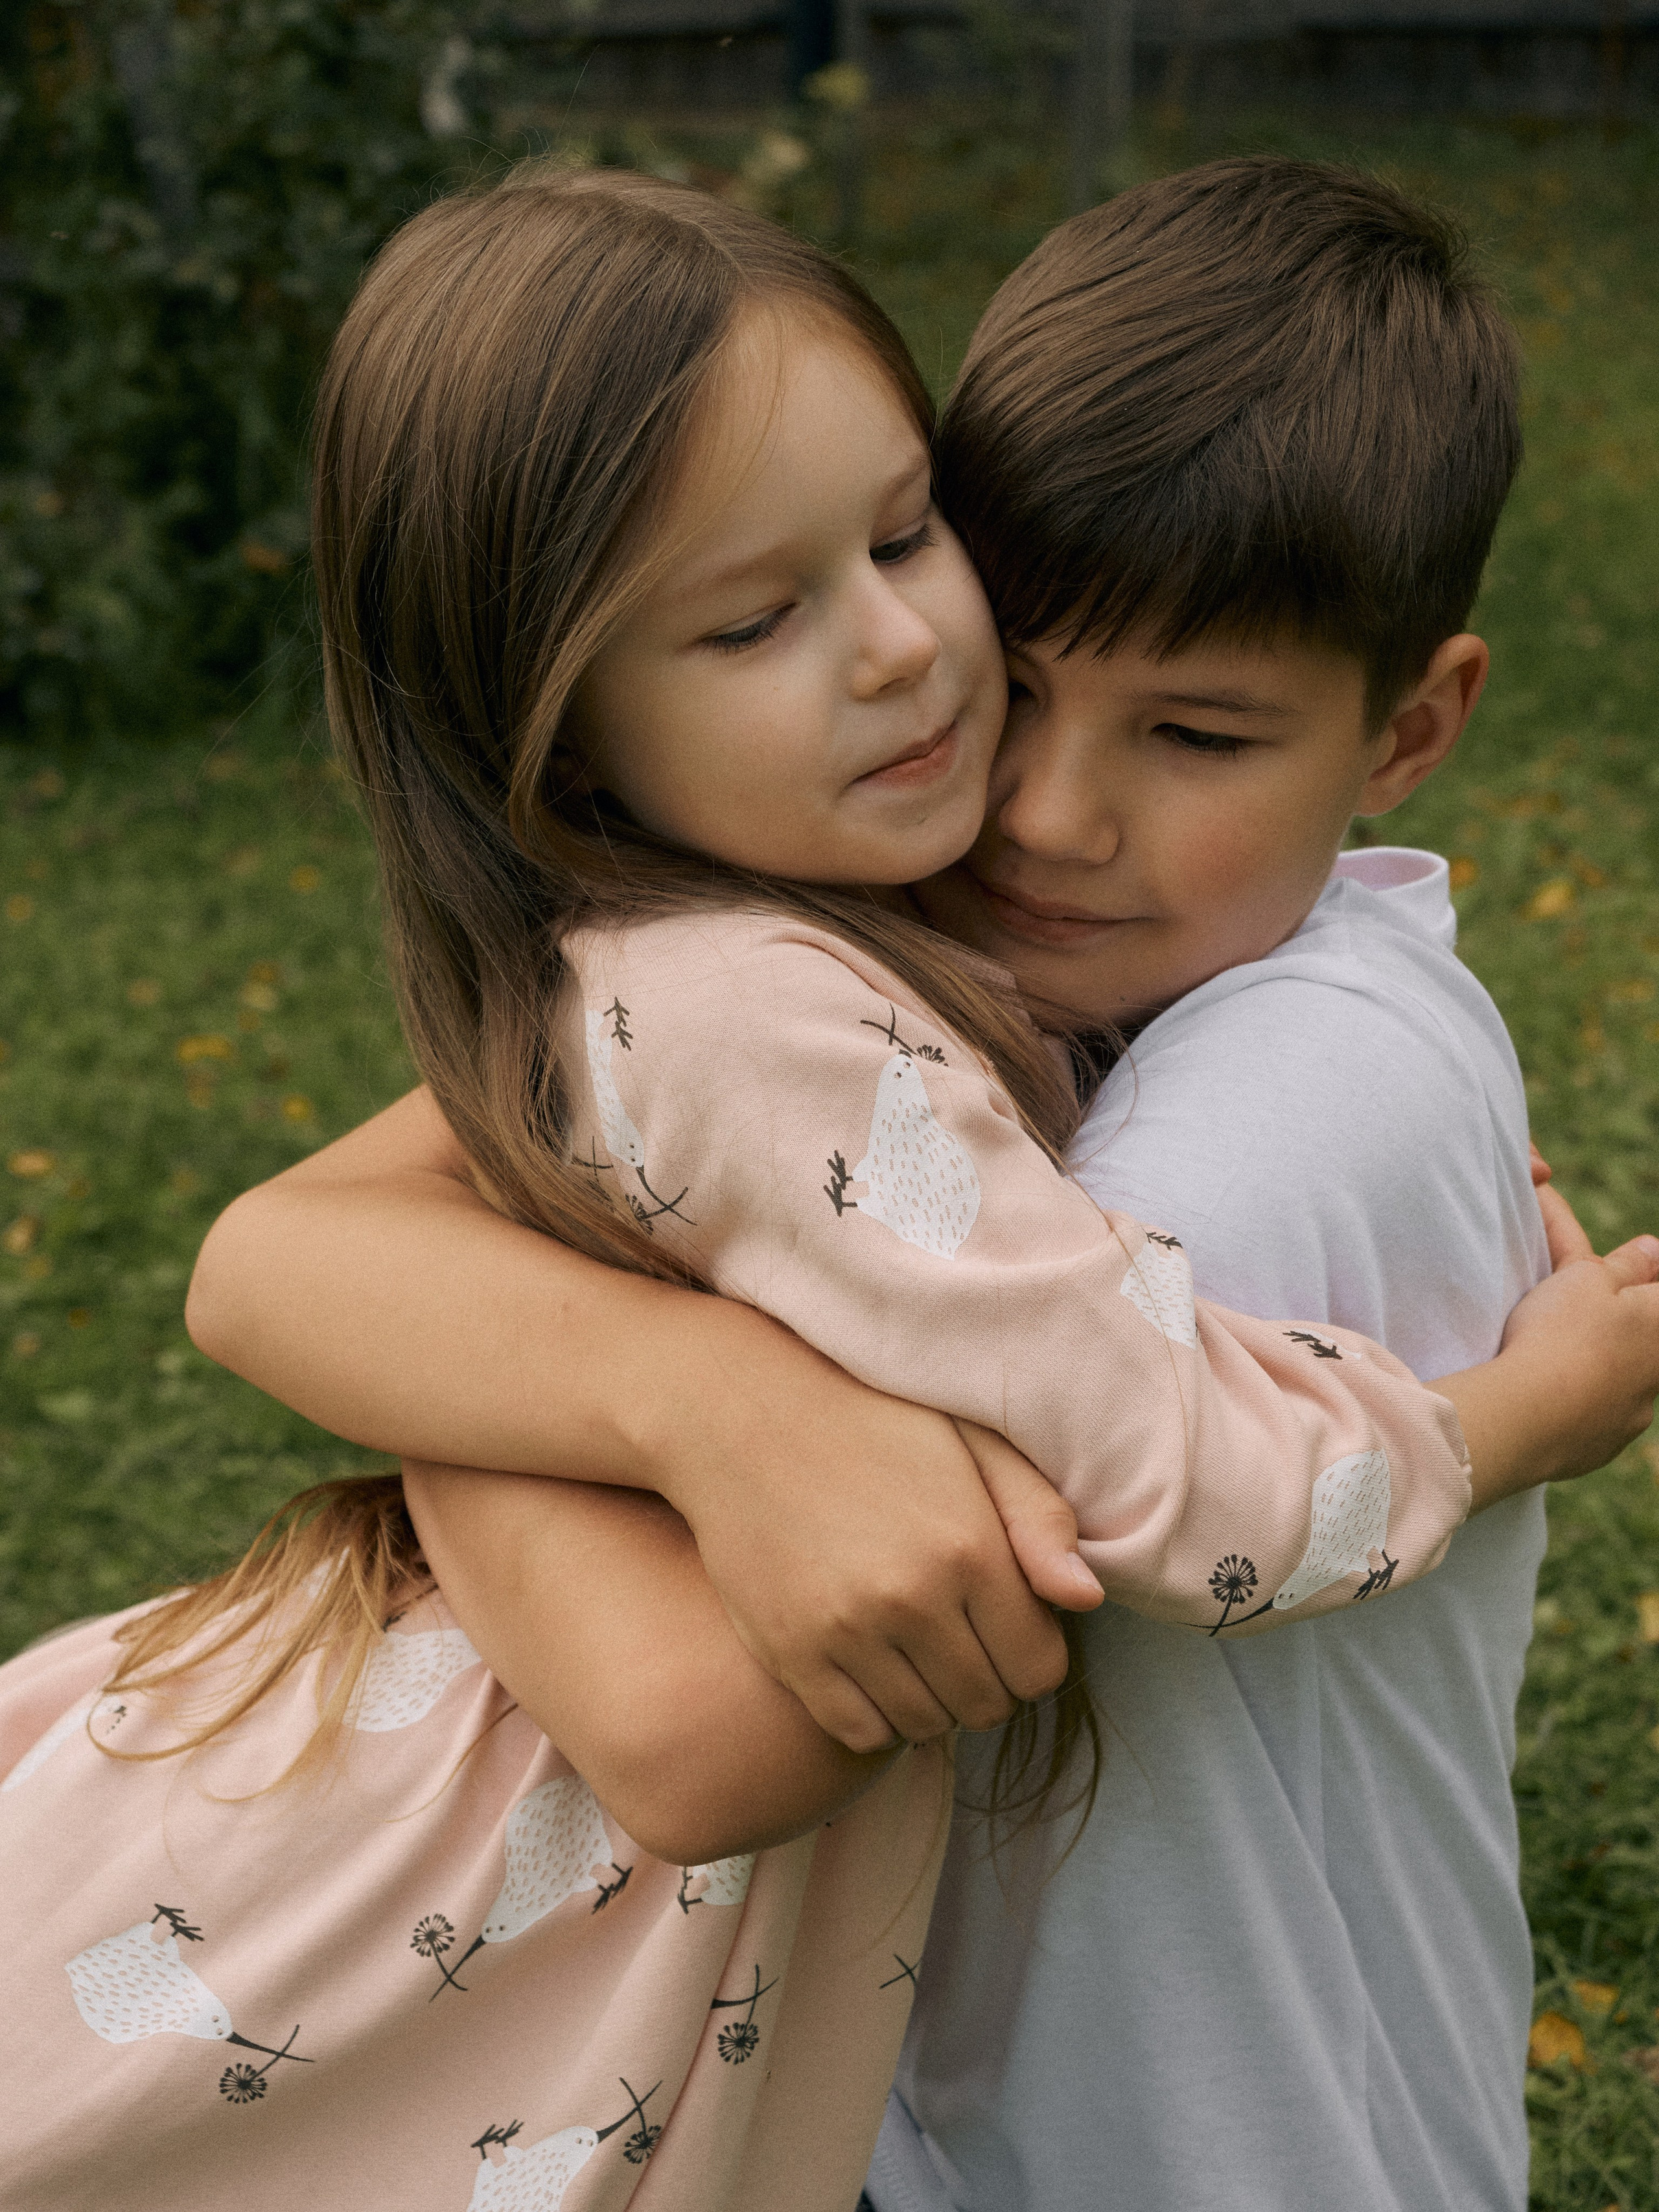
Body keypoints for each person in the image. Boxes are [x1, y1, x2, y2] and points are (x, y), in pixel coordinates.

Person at [0, 163, 1590, 2212]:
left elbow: (298, 1261)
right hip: (307, 1926)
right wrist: (1523, 1413)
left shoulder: (864, 962)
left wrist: (517, 1382)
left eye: (910, 538)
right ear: (564, 734)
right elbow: (1130, 1488)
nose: (924, 670)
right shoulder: (775, 1019)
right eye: (756, 619)